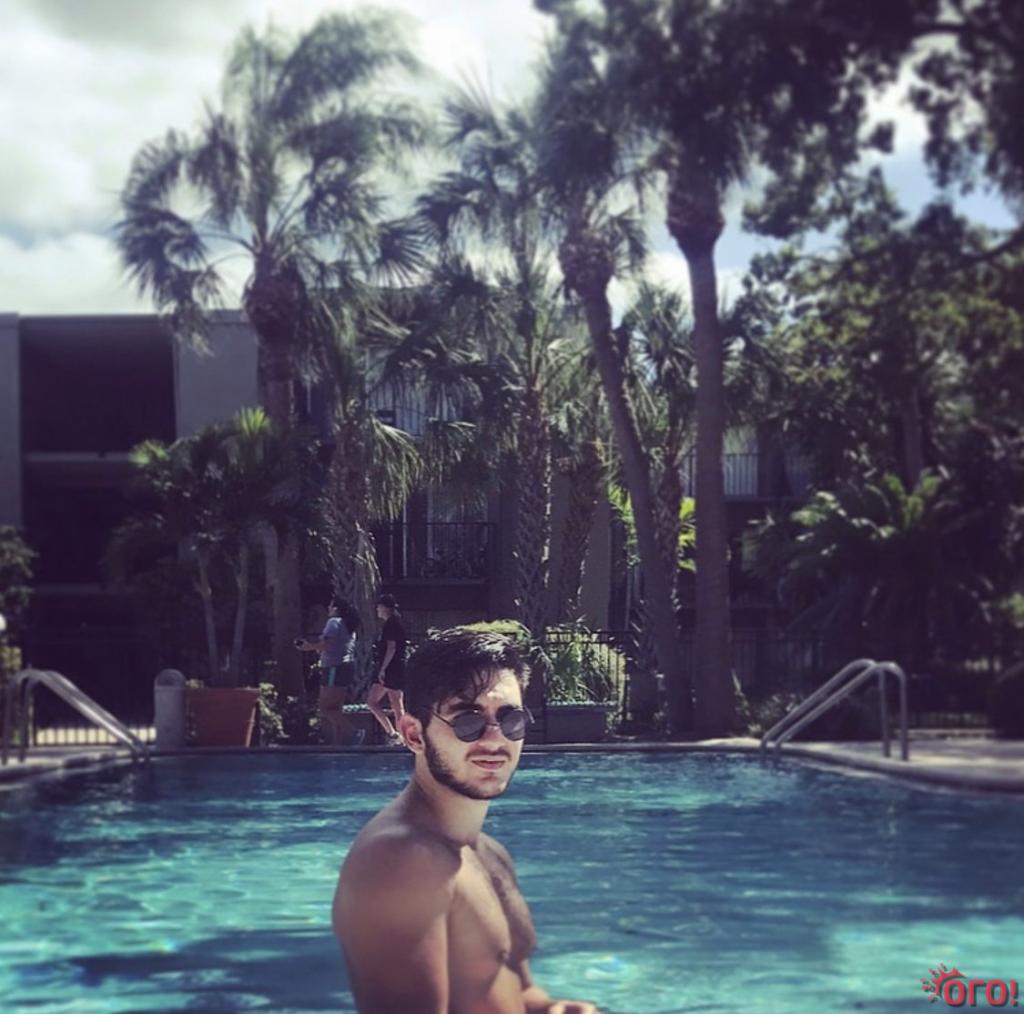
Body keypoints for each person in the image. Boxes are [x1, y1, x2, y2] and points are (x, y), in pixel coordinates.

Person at [333, 628, 599, 1014]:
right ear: (413, 734)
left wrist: (551, 1009)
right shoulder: (401, 861)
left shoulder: (489, 854)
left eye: (510, 720)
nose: (494, 740)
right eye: (467, 721)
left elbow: (516, 989)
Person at [296, 599, 362, 745]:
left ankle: (353, 732)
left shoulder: (334, 622)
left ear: (336, 608)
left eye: (330, 605)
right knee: (336, 708)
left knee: (325, 708)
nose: (328, 608)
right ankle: (337, 742)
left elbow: (328, 644)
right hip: (346, 667)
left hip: (333, 668)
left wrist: (308, 646)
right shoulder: (348, 625)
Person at [365, 592, 407, 744]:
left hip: (391, 668)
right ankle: (396, 735)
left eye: (379, 607)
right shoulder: (394, 622)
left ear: (384, 607)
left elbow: (391, 647)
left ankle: (398, 736)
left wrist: (383, 668)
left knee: (392, 704)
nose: (377, 610)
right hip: (394, 667)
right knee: (390, 704)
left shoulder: (391, 624)